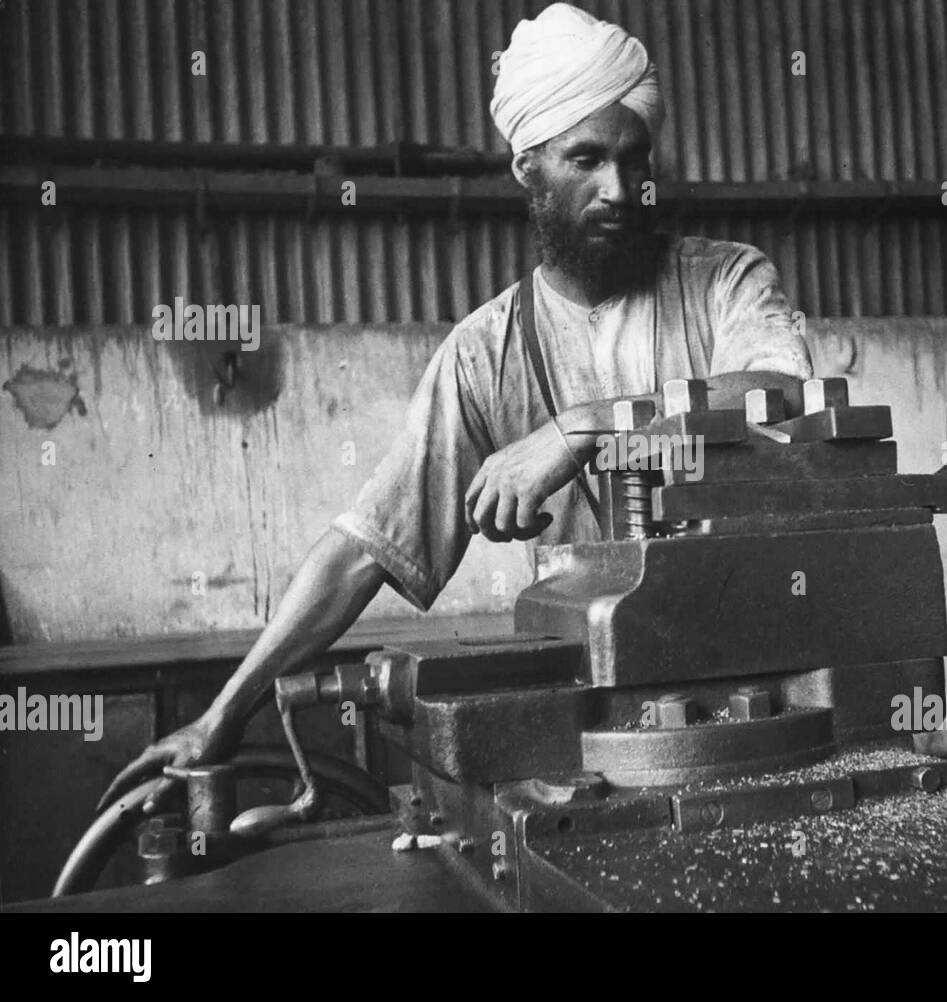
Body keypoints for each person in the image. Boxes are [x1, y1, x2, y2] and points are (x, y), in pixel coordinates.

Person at [100, 3, 812, 811]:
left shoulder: (724, 283)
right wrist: (225, 713)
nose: (620, 188)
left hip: (769, 712)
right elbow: (364, 549)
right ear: (529, 169)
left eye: (633, 158)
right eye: (585, 160)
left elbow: (783, 392)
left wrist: (580, 426)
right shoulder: (483, 356)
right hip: (605, 741)